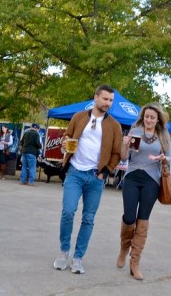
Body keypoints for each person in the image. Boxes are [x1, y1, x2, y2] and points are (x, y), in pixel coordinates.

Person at [54, 84, 122, 275]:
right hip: (75, 172)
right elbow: (67, 137)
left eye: (111, 100)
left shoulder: (114, 125)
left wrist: (105, 172)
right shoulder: (78, 117)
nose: (108, 103)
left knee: (88, 218)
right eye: (105, 99)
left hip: (95, 177)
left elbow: (117, 153)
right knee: (68, 212)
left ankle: (78, 258)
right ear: (96, 97)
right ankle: (63, 252)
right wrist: (65, 143)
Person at [116, 103, 171, 280]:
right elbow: (125, 157)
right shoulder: (135, 131)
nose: (148, 120)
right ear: (143, 117)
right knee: (129, 217)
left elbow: (168, 159)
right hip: (132, 177)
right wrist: (124, 144)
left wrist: (163, 159)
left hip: (152, 181)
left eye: (152, 117)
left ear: (157, 120)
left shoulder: (163, 135)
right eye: (146, 116)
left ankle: (135, 262)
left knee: (143, 220)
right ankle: (124, 247)